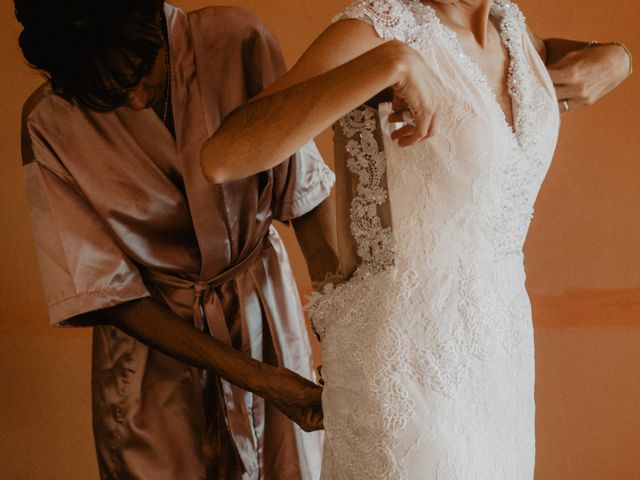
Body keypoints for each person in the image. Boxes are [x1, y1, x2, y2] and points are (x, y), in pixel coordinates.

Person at [200, 0, 632, 478]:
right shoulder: (377, 29)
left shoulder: (511, 29)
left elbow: (558, 61)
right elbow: (224, 156)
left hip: (500, 360)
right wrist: (392, 62)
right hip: (404, 364)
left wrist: (618, 56)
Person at [16, 1, 336, 479]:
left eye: (143, 70)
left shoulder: (237, 39)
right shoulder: (47, 122)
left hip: (266, 317)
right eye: (107, 93)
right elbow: (106, 292)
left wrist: (342, 326)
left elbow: (301, 186)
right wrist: (259, 379)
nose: (138, 100)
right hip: (156, 359)